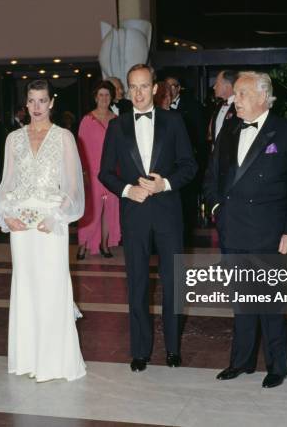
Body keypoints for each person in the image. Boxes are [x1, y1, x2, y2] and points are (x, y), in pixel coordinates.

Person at [203, 71, 287, 388]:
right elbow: (212, 177)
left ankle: (277, 365)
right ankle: (242, 361)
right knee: (241, 301)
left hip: (269, 231)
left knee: (271, 302)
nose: (236, 100)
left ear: (264, 97)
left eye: (243, 93)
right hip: (233, 228)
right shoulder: (229, 129)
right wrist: (216, 209)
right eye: (235, 94)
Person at [99, 64, 197, 372]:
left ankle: (172, 349)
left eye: (144, 86)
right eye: (133, 87)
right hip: (135, 215)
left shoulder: (174, 121)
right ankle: (140, 350)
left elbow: (189, 166)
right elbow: (104, 172)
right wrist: (128, 190)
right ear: (127, 91)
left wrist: (163, 184)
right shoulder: (117, 126)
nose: (138, 93)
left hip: (168, 213)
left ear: (155, 88)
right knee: (138, 284)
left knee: (172, 283)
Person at [0, 79, 86, 382]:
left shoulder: (64, 137)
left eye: (42, 100)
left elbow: (72, 185)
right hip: (21, 225)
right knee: (26, 287)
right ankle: (28, 359)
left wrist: (56, 217)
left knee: (53, 285)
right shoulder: (13, 139)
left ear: (51, 102)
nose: (37, 107)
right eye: (32, 101)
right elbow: (8, 183)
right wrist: (4, 215)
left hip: (50, 222)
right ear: (26, 104)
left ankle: (55, 362)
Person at [76, 81, 121, 260]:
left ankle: (105, 244)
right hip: (92, 172)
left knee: (109, 209)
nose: (104, 98)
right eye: (101, 95)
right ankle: (82, 244)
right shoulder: (87, 120)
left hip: (112, 173)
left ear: (111, 98)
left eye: (107, 95)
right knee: (91, 210)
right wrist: (83, 173)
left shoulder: (117, 121)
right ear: (95, 97)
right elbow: (80, 148)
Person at [165, 76, 207, 242]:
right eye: (167, 87)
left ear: (179, 88)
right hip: (165, 169)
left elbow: (199, 136)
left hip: (185, 165)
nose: (170, 91)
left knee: (185, 205)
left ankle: (184, 237)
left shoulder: (192, 107)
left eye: (173, 86)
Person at [209, 70, 238, 143]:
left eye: (217, 83)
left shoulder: (240, 106)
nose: (214, 87)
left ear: (227, 86)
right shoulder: (219, 105)